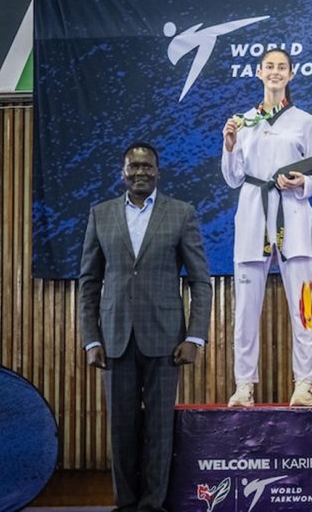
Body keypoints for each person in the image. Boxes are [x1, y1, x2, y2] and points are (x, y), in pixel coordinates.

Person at [79, 142, 212, 512]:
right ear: (123, 172)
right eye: (133, 166)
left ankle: (153, 505)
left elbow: (200, 281)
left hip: (167, 340)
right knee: (121, 429)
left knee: (159, 428)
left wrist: (195, 336)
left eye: (147, 166)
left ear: (158, 171)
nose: (140, 172)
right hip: (114, 339)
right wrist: (91, 340)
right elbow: (88, 283)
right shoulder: (100, 215)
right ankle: (126, 504)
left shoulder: (181, 213)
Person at [222, 47, 312, 406]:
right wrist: (229, 145)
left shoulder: (305, 121)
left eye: (282, 67)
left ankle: (304, 382)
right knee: (245, 309)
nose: (275, 72)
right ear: (258, 72)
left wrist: (302, 182)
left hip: (292, 216)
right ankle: (244, 385)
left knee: (304, 305)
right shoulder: (243, 122)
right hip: (253, 215)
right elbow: (233, 178)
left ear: (291, 74)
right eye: (269, 66)